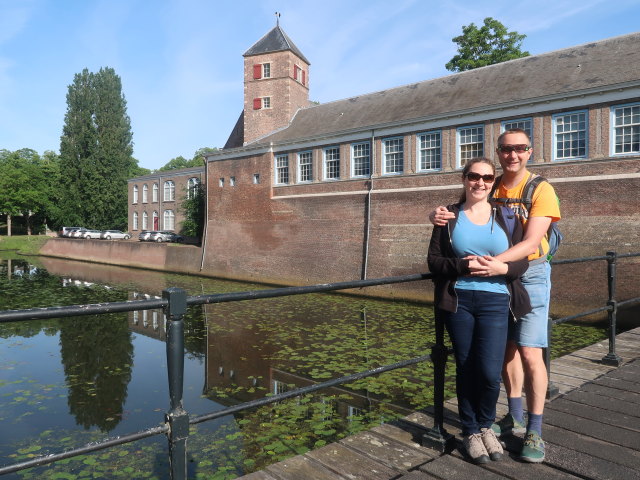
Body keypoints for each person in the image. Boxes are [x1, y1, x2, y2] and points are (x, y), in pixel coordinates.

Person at [429, 129, 561, 463]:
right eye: (506, 149)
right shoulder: (484, 191)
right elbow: (439, 250)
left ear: (529, 152)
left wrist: (496, 266)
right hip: (470, 294)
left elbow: (529, 246)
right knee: (492, 358)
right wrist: (437, 217)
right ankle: (490, 424)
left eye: (519, 149)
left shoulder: (539, 190)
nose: (481, 181)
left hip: (521, 277)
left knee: (527, 352)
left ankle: (532, 429)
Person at [428, 157, 531, 464]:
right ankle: (471, 431)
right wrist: (461, 265)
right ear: (464, 178)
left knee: (488, 371)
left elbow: (522, 260)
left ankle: (487, 425)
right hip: (459, 301)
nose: (480, 183)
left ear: (493, 182)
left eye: (487, 178)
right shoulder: (448, 217)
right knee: (465, 366)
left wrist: (502, 267)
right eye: (474, 176)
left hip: (496, 301)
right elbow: (434, 261)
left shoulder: (507, 216)